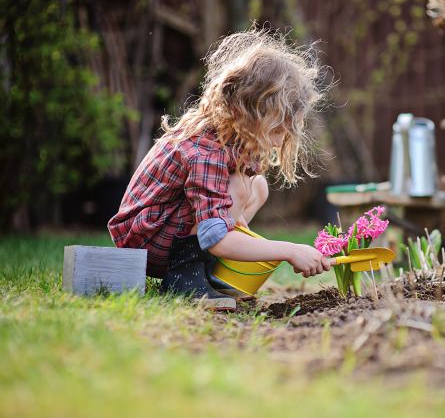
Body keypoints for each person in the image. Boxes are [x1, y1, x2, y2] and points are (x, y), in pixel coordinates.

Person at [108, 29, 332, 311]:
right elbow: (216, 237)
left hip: (164, 230)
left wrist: (243, 242)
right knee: (238, 185)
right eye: (277, 127)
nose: (281, 138)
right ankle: (183, 279)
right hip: (145, 241)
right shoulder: (205, 150)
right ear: (245, 112)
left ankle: (205, 272)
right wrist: (290, 250)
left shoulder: (230, 139)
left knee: (257, 184)